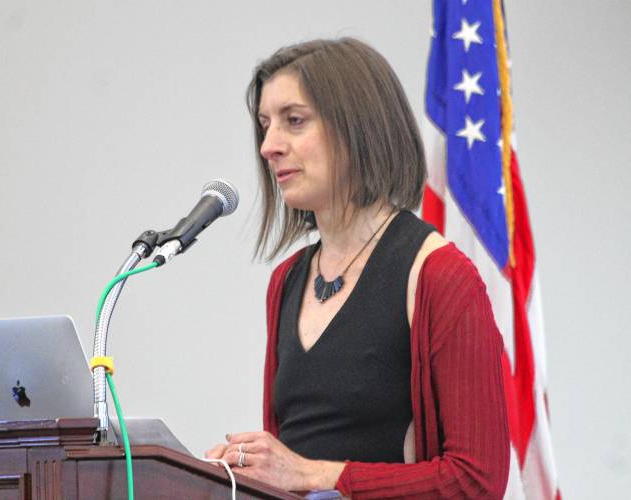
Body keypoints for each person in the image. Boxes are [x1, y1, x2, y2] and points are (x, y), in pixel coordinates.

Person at [205, 38, 509, 499]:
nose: (269, 147)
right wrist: (243, 471)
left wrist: (314, 475)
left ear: (357, 128)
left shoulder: (439, 276)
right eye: (265, 126)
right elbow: (284, 467)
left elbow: (476, 480)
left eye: (294, 121)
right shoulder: (286, 281)